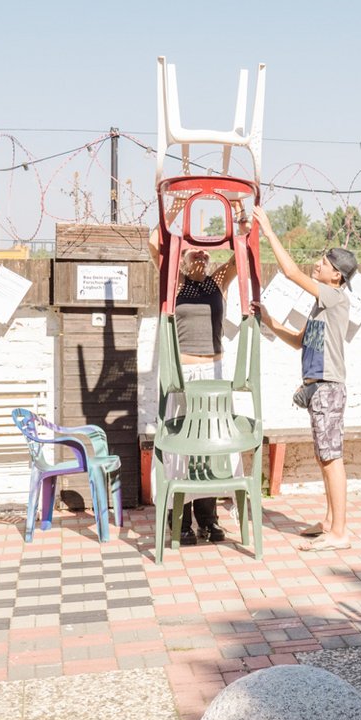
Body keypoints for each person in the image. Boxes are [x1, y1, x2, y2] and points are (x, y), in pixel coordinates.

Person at [253, 207, 358, 546]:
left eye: (326, 263)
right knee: (323, 455)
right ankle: (329, 522)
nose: (319, 264)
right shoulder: (321, 307)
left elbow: (291, 273)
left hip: (328, 387)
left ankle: (340, 533)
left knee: (331, 458)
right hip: (317, 388)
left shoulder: (335, 296)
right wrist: (270, 322)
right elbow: (300, 342)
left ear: (337, 276)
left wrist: (268, 231)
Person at [150, 211, 239, 543]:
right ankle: (181, 520)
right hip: (184, 374)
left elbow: (239, 253)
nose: (201, 253)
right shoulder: (174, 281)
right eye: (192, 248)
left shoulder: (217, 281)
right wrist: (174, 210)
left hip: (214, 373)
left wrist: (241, 220)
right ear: (182, 256)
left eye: (204, 248)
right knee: (182, 447)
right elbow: (152, 241)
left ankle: (209, 518)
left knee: (210, 445)